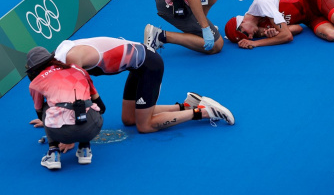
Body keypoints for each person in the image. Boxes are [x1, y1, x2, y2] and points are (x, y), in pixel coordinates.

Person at [49, 37, 234, 135]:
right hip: (137, 66)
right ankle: (186, 106)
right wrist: (48, 117)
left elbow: (79, 98)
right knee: (129, 120)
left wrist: (68, 134)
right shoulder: (60, 57)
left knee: (145, 126)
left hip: (150, 66)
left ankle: (205, 111)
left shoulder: (72, 61)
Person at [26, 46, 105, 170]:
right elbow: (101, 107)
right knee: (84, 101)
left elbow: (40, 113)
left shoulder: (35, 83)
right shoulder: (77, 69)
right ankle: (85, 148)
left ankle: (53, 154)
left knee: (46, 107)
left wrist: (54, 118)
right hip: (93, 128)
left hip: (62, 133)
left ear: (33, 69)